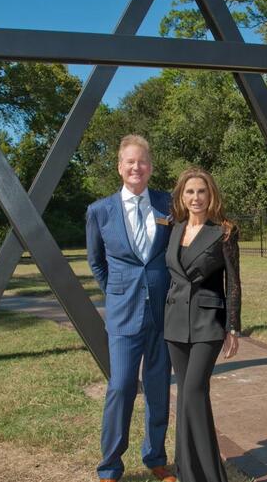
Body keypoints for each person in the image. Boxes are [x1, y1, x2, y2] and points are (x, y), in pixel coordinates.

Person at [86, 135, 177, 482]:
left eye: (142, 162)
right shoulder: (99, 211)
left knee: (157, 389)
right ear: (119, 167)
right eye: (130, 162)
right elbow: (96, 262)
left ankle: (155, 457)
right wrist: (117, 292)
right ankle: (110, 466)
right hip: (123, 317)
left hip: (161, 314)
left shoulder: (167, 204)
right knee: (121, 386)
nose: (136, 167)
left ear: (150, 167)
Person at [164, 167, 241, 482]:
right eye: (190, 192)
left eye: (202, 191)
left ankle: (209, 475)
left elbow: (233, 283)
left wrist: (233, 326)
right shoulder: (173, 228)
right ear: (182, 196)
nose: (196, 198)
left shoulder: (223, 231)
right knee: (185, 395)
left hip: (208, 322)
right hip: (175, 323)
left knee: (195, 391)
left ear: (211, 196)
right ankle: (188, 471)